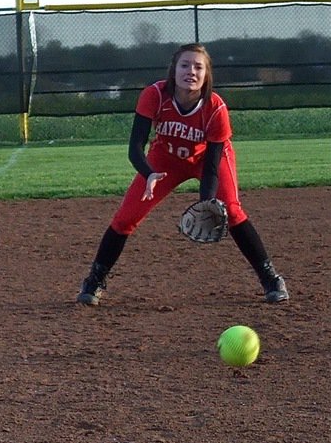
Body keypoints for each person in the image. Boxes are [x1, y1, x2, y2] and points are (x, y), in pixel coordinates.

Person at [77, 43, 289, 306]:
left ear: (206, 75)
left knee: (232, 211)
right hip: (165, 159)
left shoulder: (215, 108)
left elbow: (212, 165)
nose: (191, 71)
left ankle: (271, 279)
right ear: (174, 70)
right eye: (185, 65)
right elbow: (135, 147)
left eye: (198, 67)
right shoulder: (154, 95)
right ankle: (94, 281)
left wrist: (206, 202)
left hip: (205, 160)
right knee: (125, 218)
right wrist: (149, 173)